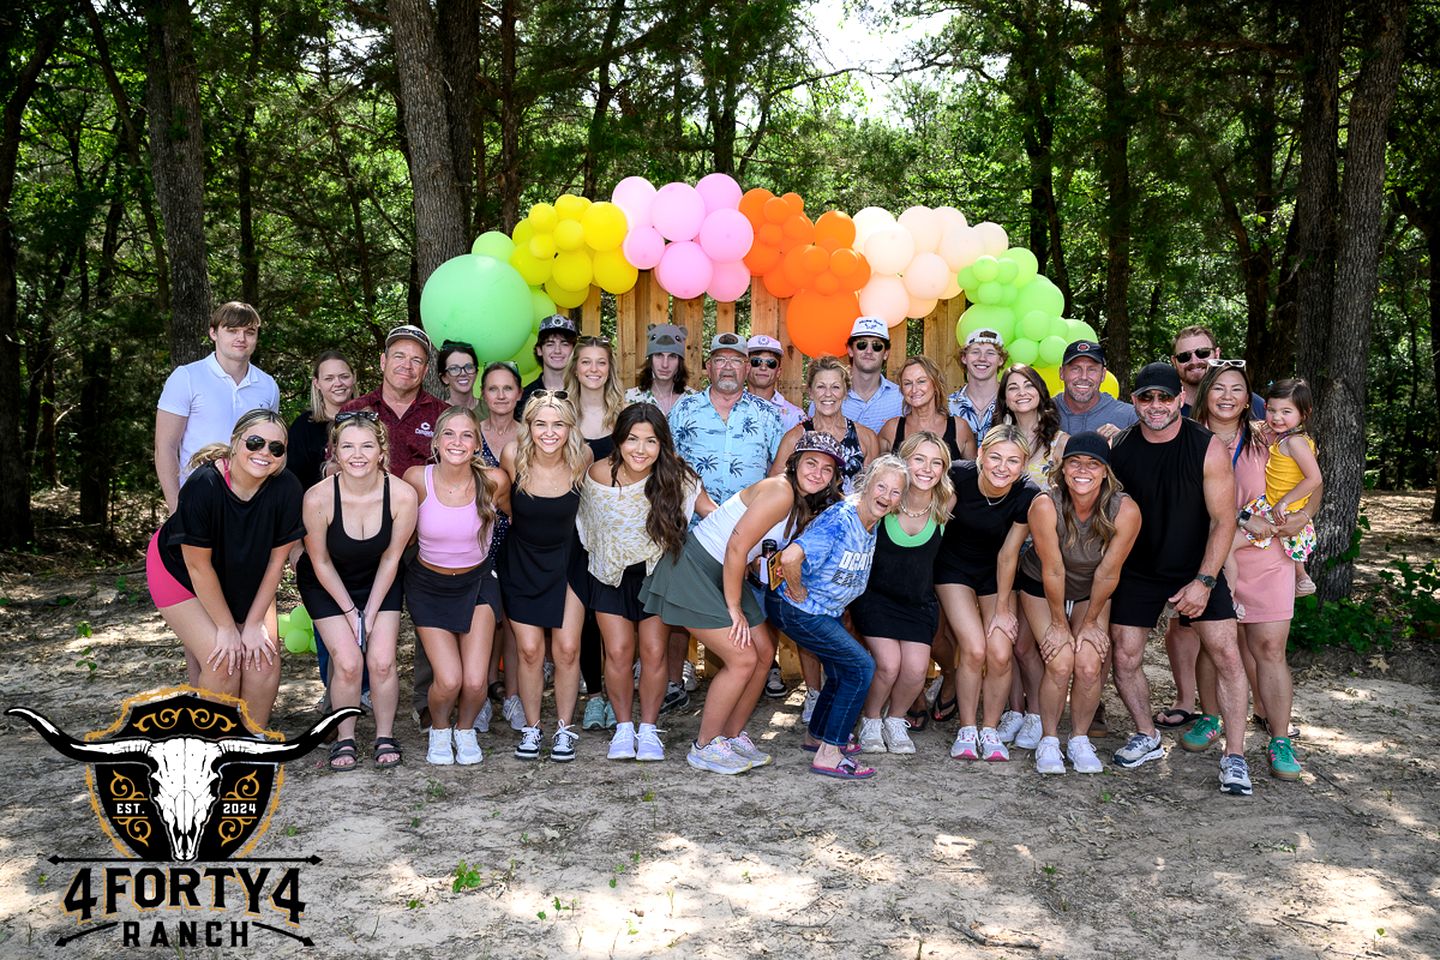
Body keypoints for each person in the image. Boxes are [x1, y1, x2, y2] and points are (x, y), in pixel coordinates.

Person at [640, 432, 846, 775]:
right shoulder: (780, 490)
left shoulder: (798, 503)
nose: (817, 473)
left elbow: (748, 552)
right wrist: (734, 607)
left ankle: (732, 736)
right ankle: (704, 746)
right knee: (741, 657)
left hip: (725, 571)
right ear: (795, 463)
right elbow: (736, 545)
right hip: (694, 568)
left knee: (765, 651)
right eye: (811, 462)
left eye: (827, 469)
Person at [1107, 362, 1253, 796]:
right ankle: (1147, 735)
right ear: (1134, 401)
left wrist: (1205, 581)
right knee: (1125, 654)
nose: (1156, 405)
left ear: (1180, 401)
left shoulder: (1207, 448)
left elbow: (1224, 521)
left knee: (1227, 654)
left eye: (1165, 397)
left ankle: (1235, 757)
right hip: (1138, 569)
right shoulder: (1122, 448)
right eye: (1146, 397)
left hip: (1196, 567)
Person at [1191, 360, 1316, 781]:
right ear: (1205, 392)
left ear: (1249, 400)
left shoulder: (1267, 437)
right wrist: (1241, 519)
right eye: (1219, 388)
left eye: (1237, 389)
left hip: (1267, 554)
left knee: (1269, 649)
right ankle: (1210, 717)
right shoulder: (1187, 438)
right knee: (1215, 645)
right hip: (1210, 553)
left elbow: (1309, 483)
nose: (1227, 396)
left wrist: (1304, 516)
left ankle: (1280, 738)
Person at [145, 408, 302, 728]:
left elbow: (276, 561)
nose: (264, 453)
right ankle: (215, 746)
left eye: (276, 447)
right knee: (224, 663)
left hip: (246, 570)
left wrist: (255, 622)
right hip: (181, 573)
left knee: (262, 663)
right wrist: (228, 629)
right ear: (235, 441)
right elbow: (197, 567)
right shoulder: (205, 485)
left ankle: (251, 744)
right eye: (255, 442)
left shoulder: (286, 488)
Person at [578, 404, 716, 762]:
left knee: (654, 653)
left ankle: (650, 729)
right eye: (632, 439)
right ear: (619, 440)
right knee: (620, 652)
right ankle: (624, 728)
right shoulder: (596, 476)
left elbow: (712, 515)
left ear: (662, 444)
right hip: (610, 575)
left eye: (650, 441)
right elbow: (586, 527)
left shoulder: (677, 477)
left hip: (658, 574)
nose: (640, 449)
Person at [768, 456, 908, 780]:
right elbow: (790, 557)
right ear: (867, 482)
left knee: (842, 671)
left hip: (821, 610)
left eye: (896, 492)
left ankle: (816, 735)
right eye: (882, 486)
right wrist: (799, 591)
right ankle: (830, 753)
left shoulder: (869, 519)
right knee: (861, 668)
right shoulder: (843, 518)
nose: (886, 496)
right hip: (799, 609)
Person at [668, 333, 784, 712]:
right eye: (720, 359)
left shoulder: (768, 416)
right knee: (679, 612)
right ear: (708, 367)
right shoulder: (684, 410)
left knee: (750, 616)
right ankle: (676, 679)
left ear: (747, 367)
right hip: (693, 537)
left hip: (748, 539)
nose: (729, 367)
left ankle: (746, 684)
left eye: (737, 360)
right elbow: (668, 467)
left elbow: (776, 474)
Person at [296, 412, 417, 769]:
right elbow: (319, 562)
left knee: (381, 661)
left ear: (382, 451)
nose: (357, 454)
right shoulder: (317, 498)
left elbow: (393, 557)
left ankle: (384, 734)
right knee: (348, 663)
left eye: (367, 445)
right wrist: (351, 613)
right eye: (347, 446)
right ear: (334, 451)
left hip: (380, 577)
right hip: (326, 582)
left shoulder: (403, 495)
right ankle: (344, 737)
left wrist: (372, 610)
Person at [1017, 432, 1141, 775]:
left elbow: (1108, 572)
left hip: (1092, 590)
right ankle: (1049, 739)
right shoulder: (1045, 504)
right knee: (1059, 660)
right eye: (1075, 462)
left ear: (1105, 472)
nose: (1082, 470)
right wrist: (1059, 623)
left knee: (1088, 662)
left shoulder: (1125, 509)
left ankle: (1080, 739)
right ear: (1063, 468)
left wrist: (1088, 623)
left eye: (1093, 464)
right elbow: (1052, 570)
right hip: (1042, 586)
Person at [403, 407, 511, 766]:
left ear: (477, 444)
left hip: (478, 582)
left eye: (467, 435)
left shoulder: (494, 481)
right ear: (435, 441)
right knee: (448, 680)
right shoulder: (417, 478)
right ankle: (439, 729)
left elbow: (512, 519)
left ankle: (465, 730)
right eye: (449, 434)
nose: (457, 442)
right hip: (428, 586)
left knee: (476, 682)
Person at [935, 424, 1040, 763]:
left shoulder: (1026, 494)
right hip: (953, 570)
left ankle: (990, 728)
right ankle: (967, 728)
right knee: (975, 649)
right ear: (980, 455)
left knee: (999, 650)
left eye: (1012, 461)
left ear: (1023, 465)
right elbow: (935, 522)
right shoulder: (959, 477)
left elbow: (1009, 554)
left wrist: (1004, 608)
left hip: (997, 574)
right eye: (995, 457)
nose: (1002, 467)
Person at [498, 393, 592, 762]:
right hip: (522, 562)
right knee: (530, 650)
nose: (549, 432)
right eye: (540, 424)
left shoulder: (582, 458)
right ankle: (533, 728)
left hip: (568, 561)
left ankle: (565, 729)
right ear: (529, 426)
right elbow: (501, 502)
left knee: (567, 650)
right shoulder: (512, 457)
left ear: (570, 428)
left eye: (558, 424)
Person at [853, 433, 954, 755]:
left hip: (918, 602)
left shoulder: (945, 504)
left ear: (943, 469)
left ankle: (895, 720)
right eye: (919, 459)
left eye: (935, 462)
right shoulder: (887, 499)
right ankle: (870, 720)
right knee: (889, 665)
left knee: (914, 669)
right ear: (904, 462)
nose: (927, 468)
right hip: (877, 598)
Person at [992, 362, 1070, 748]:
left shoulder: (1060, 443)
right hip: (1004, 547)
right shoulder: (997, 439)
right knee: (1011, 640)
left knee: (1033, 642)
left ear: (1041, 391)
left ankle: (1039, 714)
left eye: (1028, 385)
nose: (1021, 392)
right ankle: (1015, 711)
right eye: (1012, 387)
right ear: (1004, 398)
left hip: (1042, 554)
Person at [155, 302, 279, 515]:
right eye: (232, 331)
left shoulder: (268, 386)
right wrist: (177, 510)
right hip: (197, 500)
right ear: (213, 333)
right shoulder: (187, 377)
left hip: (251, 504)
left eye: (249, 332)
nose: (241, 338)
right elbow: (164, 447)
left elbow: (270, 450)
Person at [477, 361, 523, 730]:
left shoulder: (533, 434)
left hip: (520, 535)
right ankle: (481, 698)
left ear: (518, 393)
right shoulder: (467, 435)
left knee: (513, 619)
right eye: (493, 389)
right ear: (483, 394)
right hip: (477, 538)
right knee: (484, 617)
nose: (501, 395)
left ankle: (513, 696)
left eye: (508, 388)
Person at [340, 324, 447, 477]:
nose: (407, 365)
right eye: (399, 356)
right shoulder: (353, 411)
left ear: (425, 371)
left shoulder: (442, 414)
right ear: (383, 362)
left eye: (416, 360)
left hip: (423, 500)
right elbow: (333, 465)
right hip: (367, 500)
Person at [1246, 378, 1321, 596]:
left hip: (1280, 505)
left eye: (1286, 412)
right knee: (1291, 543)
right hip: (1279, 503)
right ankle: (1302, 577)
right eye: (1271, 410)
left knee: (1231, 544)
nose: (1277, 417)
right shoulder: (1284, 437)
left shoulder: (1295, 442)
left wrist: (1284, 502)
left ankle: (1229, 597)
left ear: (1304, 414)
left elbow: (1314, 478)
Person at [772, 355, 879, 492]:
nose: (828, 394)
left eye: (835, 387)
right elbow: (776, 489)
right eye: (821, 387)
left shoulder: (866, 438)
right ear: (810, 392)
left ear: (845, 393)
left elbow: (872, 491)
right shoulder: (794, 438)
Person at [878, 355, 975, 463]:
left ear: (936, 385)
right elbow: (877, 474)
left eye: (921, 381)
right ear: (901, 389)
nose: (914, 389)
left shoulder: (960, 428)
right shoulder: (891, 429)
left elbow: (974, 475)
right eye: (907, 383)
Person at [812, 316, 902, 433]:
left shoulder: (900, 399)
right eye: (861, 344)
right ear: (850, 350)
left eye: (877, 346)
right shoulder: (826, 398)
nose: (868, 351)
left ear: (886, 353)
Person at [286, 351, 356, 491]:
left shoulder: (369, 420)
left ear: (354, 378)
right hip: (316, 506)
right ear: (317, 383)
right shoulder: (303, 426)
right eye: (329, 378)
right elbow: (293, 477)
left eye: (344, 376)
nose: (338, 383)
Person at [1171, 325, 1264, 419]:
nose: (1194, 361)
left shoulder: (1254, 405)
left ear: (1217, 354)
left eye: (1203, 353)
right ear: (1174, 361)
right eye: (1184, 356)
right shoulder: (1165, 408)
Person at [1053, 340, 1137, 439]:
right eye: (1075, 369)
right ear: (1061, 372)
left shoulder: (1130, 416)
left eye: (1092, 369)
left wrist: (1124, 441)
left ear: (1103, 374)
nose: (1084, 376)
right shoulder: (1043, 412)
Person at [947, 329, 1006, 438]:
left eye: (990, 353)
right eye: (975, 352)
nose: (982, 358)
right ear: (964, 358)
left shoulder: (1012, 402)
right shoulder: (947, 406)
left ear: (1001, 360)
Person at [625, 324, 695, 415]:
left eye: (672, 356)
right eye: (659, 355)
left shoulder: (694, 400)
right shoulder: (631, 399)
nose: (665, 364)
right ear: (650, 359)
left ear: (679, 362)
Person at [744, 334, 804, 431]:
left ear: (778, 372)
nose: (763, 368)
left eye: (771, 363)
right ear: (746, 367)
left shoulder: (795, 416)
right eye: (756, 361)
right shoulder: (730, 406)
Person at [519, 314, 578, 409]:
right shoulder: (525, 397)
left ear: (574, 350)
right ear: (539, 350)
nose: (557, 350)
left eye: (565, 344)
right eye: (550, 344)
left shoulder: (584, 393)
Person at [437, 340, 480, 410]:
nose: (463, 373)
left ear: (476, 373)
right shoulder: (437, 414)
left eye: (469, 367)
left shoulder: (491, 410)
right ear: (444, 378)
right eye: (454, 368)